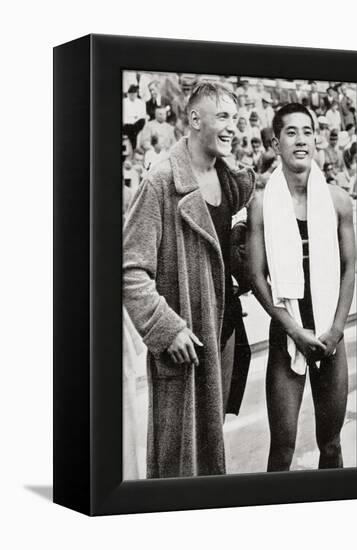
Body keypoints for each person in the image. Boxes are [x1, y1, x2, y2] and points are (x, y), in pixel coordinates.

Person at [123, 81, 255, 478]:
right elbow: (131, 269)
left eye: (237, 118)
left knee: (211, 446)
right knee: (176, 458)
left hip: (225, 331)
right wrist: (166, 329)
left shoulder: (233, 183)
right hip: (185, 341)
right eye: (224, 117)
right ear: (195, 119)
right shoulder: (161, 180)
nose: (234, 127)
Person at [247, 103, 356, 471]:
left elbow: (348, 266)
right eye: (290, 132)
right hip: (287, 333)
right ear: (276, 143)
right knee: (282, 449)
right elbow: (256, 274)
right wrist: (294, 330)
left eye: (307, 132)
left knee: (332, 445)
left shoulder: (338, 201)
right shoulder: (262, 204)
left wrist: (337, 329)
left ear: (316, 139)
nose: (300, 140)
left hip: (330, 335)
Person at [123, 84, 147, 150]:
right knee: (132, 130)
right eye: (131, 94)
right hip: (127, 124)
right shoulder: (124, 102)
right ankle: (134, 148)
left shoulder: (140, 102)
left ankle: (134, 147)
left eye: (135, 94)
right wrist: (132, 119)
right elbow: (124, 116)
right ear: (128, 94)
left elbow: (142, 115)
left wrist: (135, 119)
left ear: (136, 94)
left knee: (142, 121)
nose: (133, 95)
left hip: (137, 124)